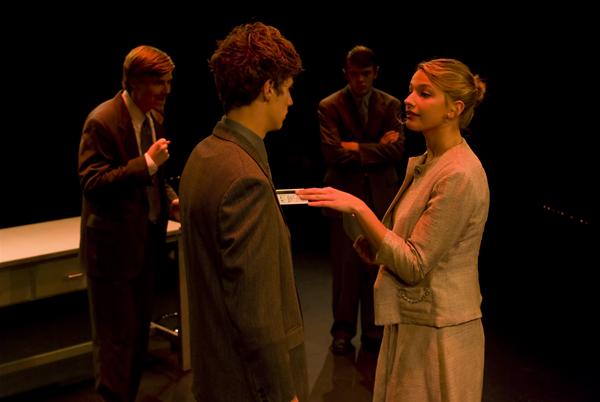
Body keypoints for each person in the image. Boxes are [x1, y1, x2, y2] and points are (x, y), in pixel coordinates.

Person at [298, 58, 489, 401]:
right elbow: (409, 244)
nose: (409, 100)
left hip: (439, 335)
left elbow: (416, 263)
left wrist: (358, 206)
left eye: (424, 93)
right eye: (411, 90)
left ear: (454, 109)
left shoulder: (458, 173)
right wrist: (374, 242)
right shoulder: (430, 162)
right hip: (416, 325)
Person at [179, 22, 308, 402]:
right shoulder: (243, 179)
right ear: (269, 88)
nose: (291, 101)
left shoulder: (203, 155)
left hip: (215, 374)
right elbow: (257, 314)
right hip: (247, 386)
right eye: (288, 89)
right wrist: (282, 393)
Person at [78, 45, 179, 402]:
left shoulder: (154, 119)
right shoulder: (102, 120)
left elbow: (157, 178)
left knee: (136, 341)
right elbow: (92, 182)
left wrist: (171, 202)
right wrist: (146, 165)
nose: (166, 90)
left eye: (168, 81)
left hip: (143, 249)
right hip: (111, 254)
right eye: (158, 82)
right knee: (114, 346)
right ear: (135, 82)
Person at [318, 45, 406, 355]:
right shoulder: (330, 105)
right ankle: (342, 332)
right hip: (344, 194)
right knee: (345, 269)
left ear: (375, 73)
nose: (360, 81)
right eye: (354, 75)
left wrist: (355, 146)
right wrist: (374, 148)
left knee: (376, 266)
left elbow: (397, 152)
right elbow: (332, 154)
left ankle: (374, 330)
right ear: (346, 74)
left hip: (381, 197)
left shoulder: (391, 104)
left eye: (366, 74)